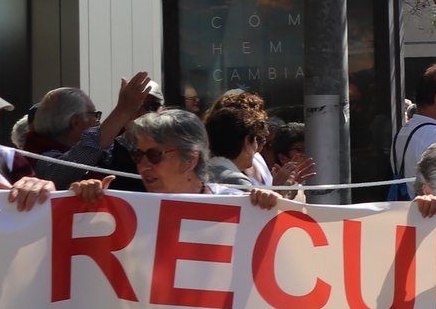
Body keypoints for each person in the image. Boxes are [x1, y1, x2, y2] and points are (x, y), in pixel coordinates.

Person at [65, 109, 284, 207]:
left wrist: (269, 210)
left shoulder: (238, 204)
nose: (143, 165)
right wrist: (84, 206)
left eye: (154, 155)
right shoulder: (126, 208)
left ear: (190, 158)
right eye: (137, 155)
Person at [26, 72, 155, 188]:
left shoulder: (103, 151)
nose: (98, 121)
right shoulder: (37, 158)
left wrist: (128, 122)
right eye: (94, 115)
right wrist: (122, 111)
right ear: (75, 122)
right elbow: (77, 161)